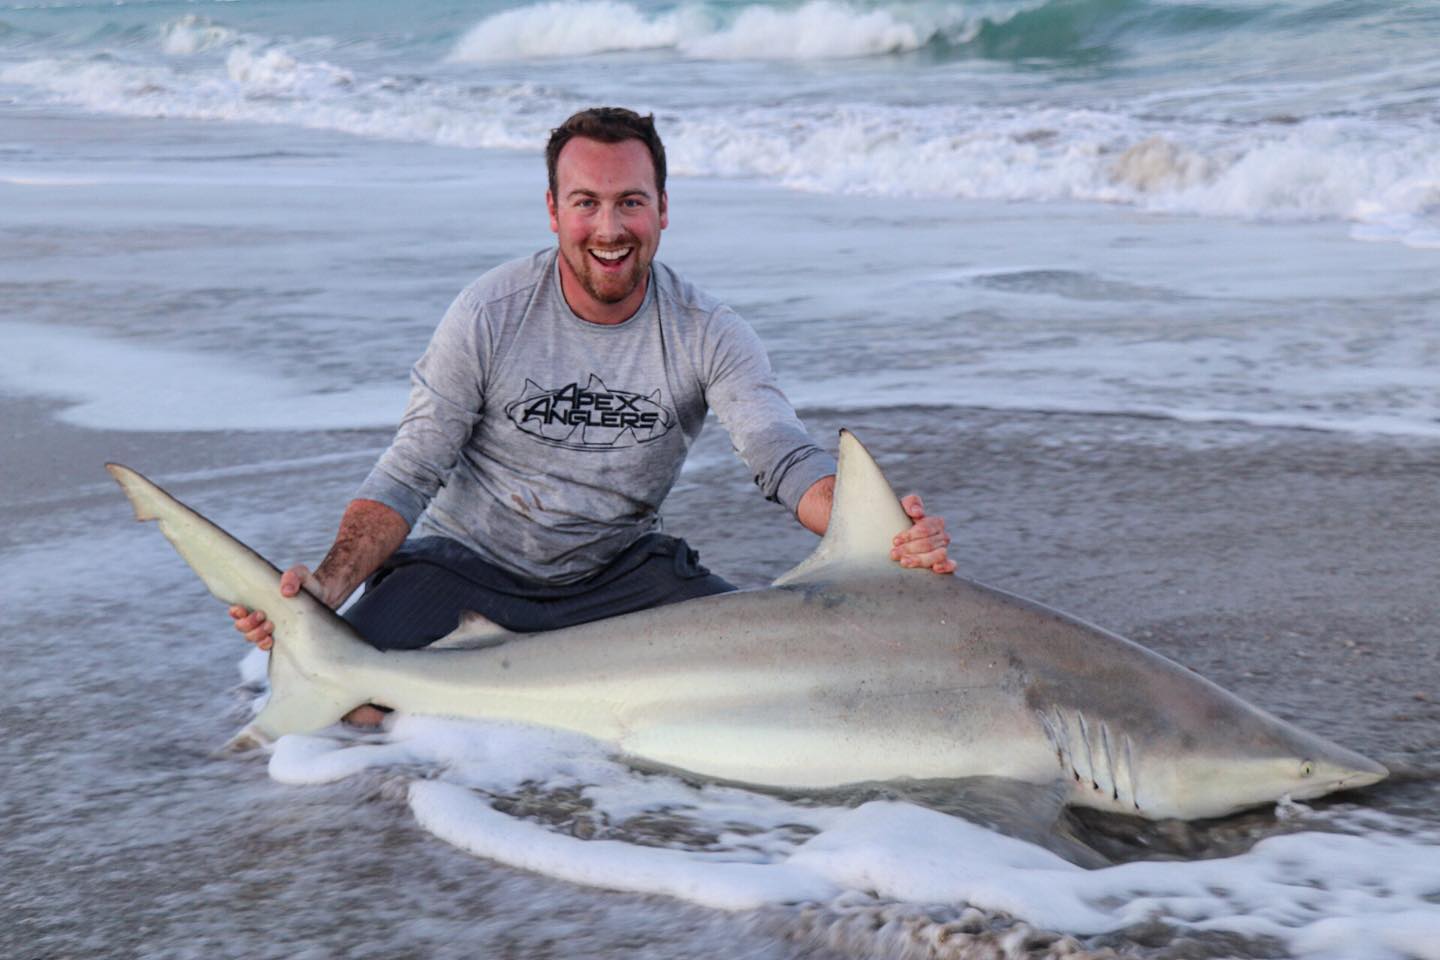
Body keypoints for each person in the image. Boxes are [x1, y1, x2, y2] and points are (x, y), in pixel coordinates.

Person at [230, 108, 954, 720]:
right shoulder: (489, 313)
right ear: (553, 210)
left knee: (787, 687)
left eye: (630, 202)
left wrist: (875, 526)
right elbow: (411, 469)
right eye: (586, 203)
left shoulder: (708, 331)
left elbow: (782, 455)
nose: (609, 228)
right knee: (346, 704)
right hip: (467, 570)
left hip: (621, 576)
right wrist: (326, 588)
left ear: (663, 209)